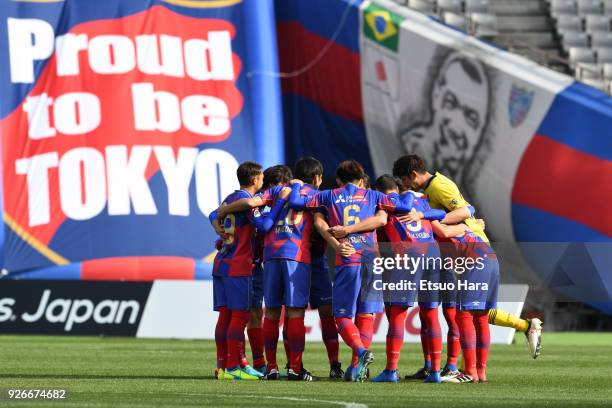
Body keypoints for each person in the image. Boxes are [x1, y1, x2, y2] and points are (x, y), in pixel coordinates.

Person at [392, 154, 542, 359]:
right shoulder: (432, 188)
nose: (406, 186)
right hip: (467, 249)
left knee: (463, 311)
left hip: (470, 249)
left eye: (404, 181)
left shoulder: (438, 185)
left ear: (412, 174)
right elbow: (468, 209)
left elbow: (463, 211)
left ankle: (460, 368)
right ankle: (524, 327)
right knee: (476, 311)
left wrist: (430, 218)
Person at [288, 160, 414, 382]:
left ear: (338, 180)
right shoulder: (374, 196)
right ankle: (356, 369)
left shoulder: (328, 195)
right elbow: (404, 207)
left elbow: (297, 202)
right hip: (372, 260)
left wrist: (296, 185)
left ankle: (361, 352)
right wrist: (409, 193)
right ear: (361, 179)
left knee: (342, 316)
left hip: (348, 258)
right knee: (366, 314)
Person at [208, 161, 287, 380]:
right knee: (240, 315)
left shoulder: (230, 198)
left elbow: (213, 214)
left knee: (225, 316)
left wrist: (216, 224)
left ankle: (222, 366)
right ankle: (234, 367)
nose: (263, 182)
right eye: (261, 178)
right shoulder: (249, 202)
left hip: (222, 262)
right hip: (239, 265)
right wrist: (279, 202)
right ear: (254, 180)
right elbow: (263, 226)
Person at [398, 52, 490, 198]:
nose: (456, 125)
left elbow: (466, 211)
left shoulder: (445, 186)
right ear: (436, 96)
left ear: (480, 132)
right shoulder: (408, 149)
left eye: (471, 118)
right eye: (451, 103)